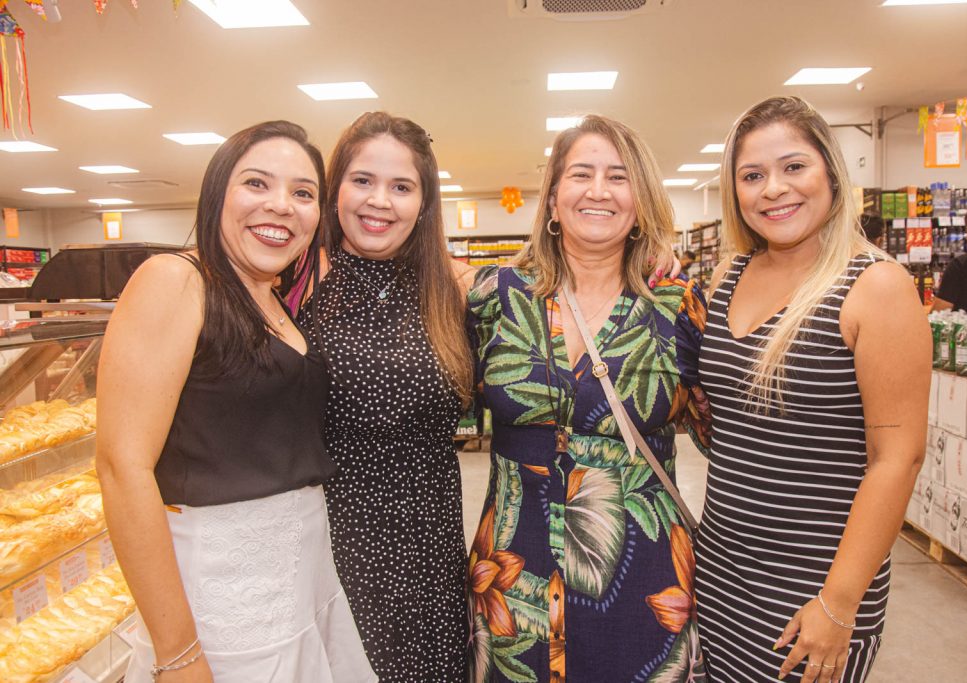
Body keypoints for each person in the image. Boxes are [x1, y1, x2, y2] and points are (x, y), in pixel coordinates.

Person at [96, 121, 376, 682]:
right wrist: (177, 654)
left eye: (302, 193)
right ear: (218, 191)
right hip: (226, 596)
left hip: (302, 582)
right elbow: (122, 468)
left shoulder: (271, 300)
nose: (281, 206)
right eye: (256, 184)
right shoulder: (175, 280)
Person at [466, 114, 710, 681]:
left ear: (641, 199)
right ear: (553, 199)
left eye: (619, 177)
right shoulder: (496, 295)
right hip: (512, 577)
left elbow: (723, 428)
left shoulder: (676, 304)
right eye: (581, 173)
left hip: (642, 575)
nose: (598, 190)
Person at [695, 96, 929, 683]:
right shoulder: (729, 276)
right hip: (720, 569)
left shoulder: (876, 287)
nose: (773, 189)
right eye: (752, 176)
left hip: (813, 588)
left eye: (793, 167)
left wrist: (839, 603)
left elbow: (897, 459)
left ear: (829, 170)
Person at [299, 112, 476, 682]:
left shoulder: (456, 297)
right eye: (362, 180)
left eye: (401, 187)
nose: (380, 201)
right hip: (327, 554)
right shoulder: (291, 290)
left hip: (430, 560)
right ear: (335, 191)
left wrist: (646, 258)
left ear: (423, 205)